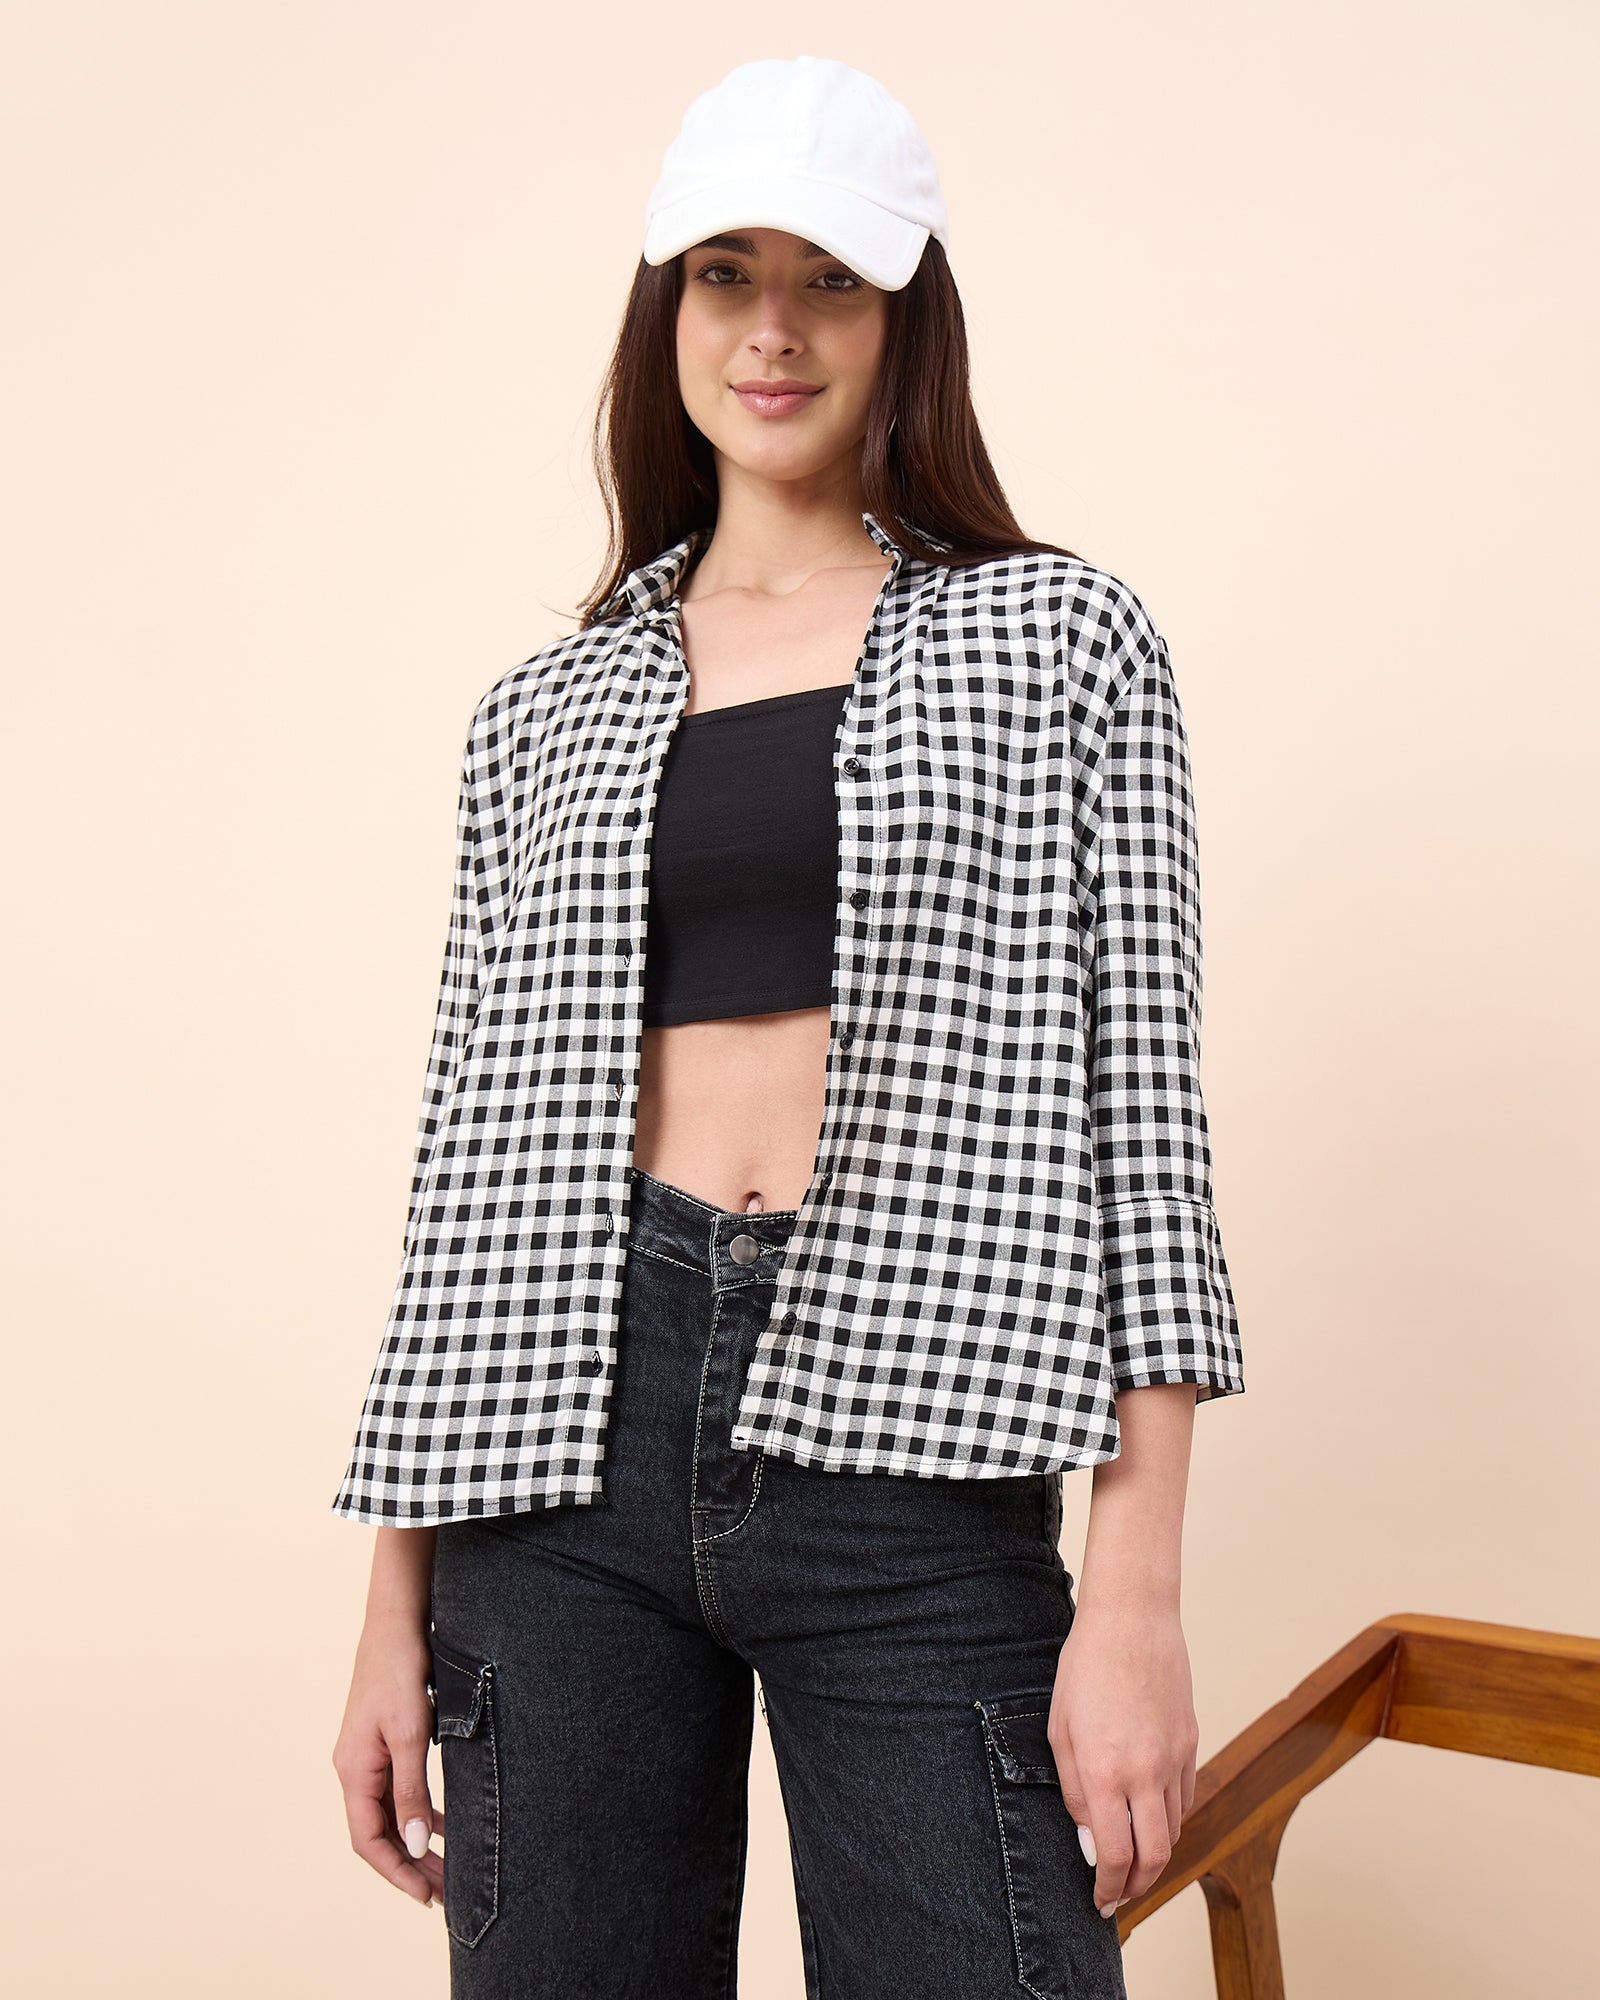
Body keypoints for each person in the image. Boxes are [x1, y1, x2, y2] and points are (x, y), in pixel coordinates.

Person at [330, 54, 1244, 2000]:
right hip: (555, 1444)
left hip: (918, 1428)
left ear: (904, 319)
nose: (772, 328)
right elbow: (465, 1166)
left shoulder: (1058, 641)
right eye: (725, 274)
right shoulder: (540, 711)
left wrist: (1136, 1597)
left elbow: (1141, 1135)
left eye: (830, 279)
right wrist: (387, 1605)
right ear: (663, 311)